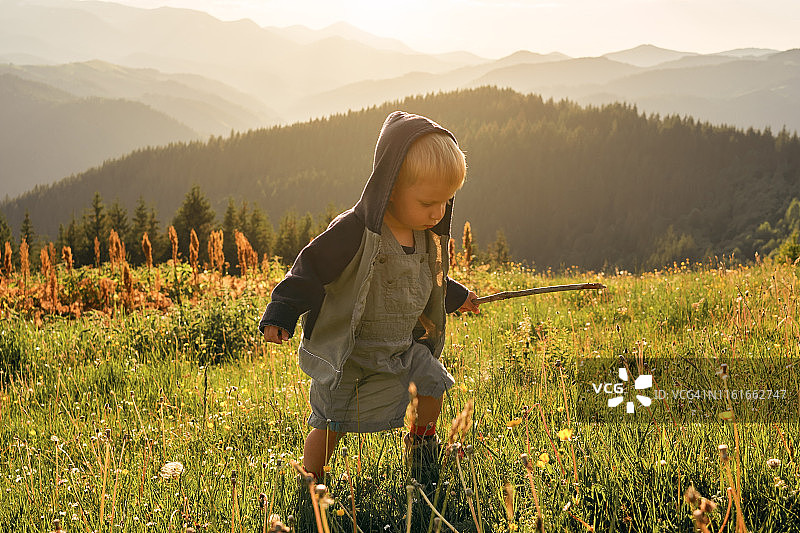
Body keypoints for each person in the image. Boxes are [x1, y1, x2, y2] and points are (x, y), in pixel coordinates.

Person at [260, 110, 479, 484]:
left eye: (445, 202)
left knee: (433, 383)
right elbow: (311, 267)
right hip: (352, 353)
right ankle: (311, 478)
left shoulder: (425, 237)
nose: (437, 213)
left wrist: (457, 297)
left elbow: (429, 280)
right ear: (391, 187)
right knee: (331, 421)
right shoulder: (355, 230)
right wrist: (282, 311)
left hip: (400, 349)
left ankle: (421, 445)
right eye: (427, 202)